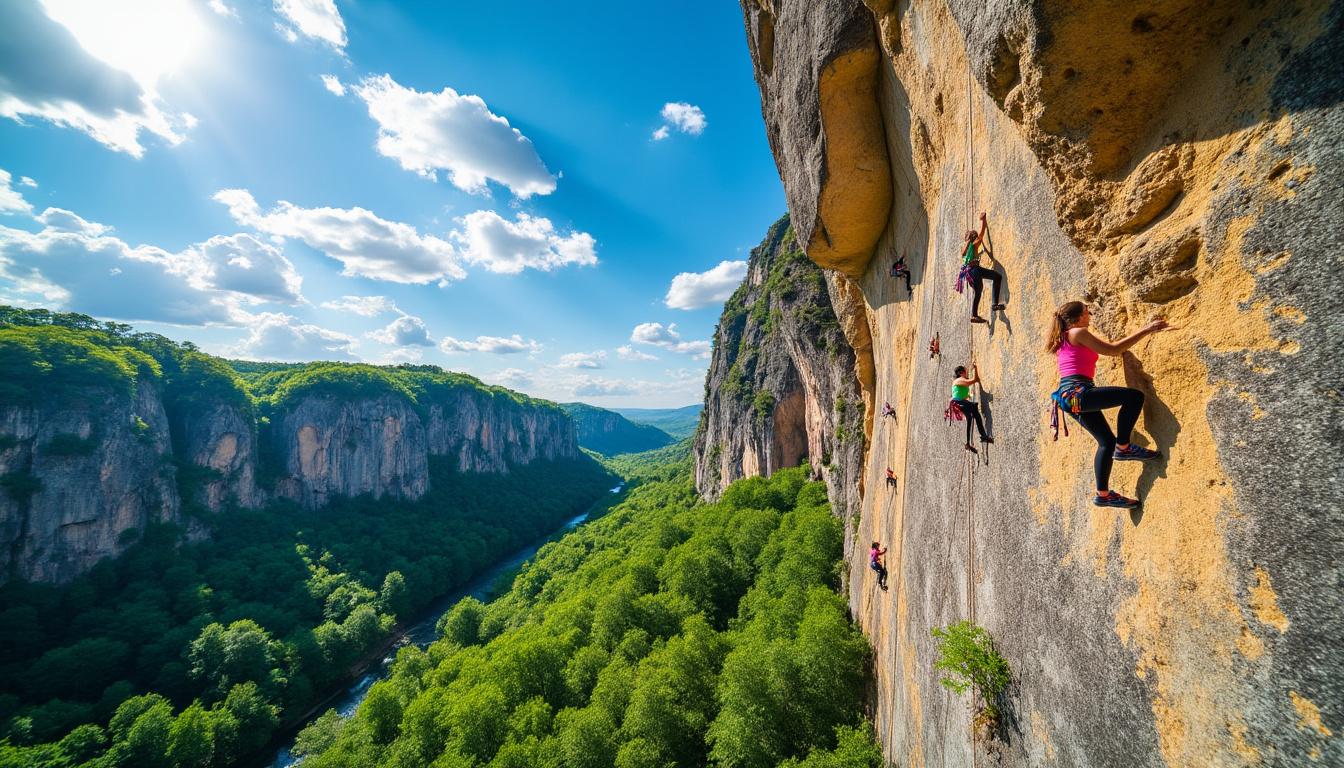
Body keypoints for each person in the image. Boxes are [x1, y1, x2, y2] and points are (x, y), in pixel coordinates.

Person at [1046, 301, 1170, 508]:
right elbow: (1113, 350)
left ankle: (1103, 494)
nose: (1090, 315)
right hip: (1079, 393)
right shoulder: (1077, 332)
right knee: (1134, 397)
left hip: (1070, 398)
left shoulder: (1063, 338)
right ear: (1078, 317)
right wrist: (1147, 329)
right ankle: (1124, 447)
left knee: (1105, 442)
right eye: (1087, 312)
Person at [955, 212, 1005, 324]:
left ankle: (975, 314)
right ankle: (993, 305)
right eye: (975, 236)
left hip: (969, 273)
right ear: (974, 238)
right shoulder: (974, 244)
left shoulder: (966, 248)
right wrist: (983, 220)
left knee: (978, 291)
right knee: (997, 277)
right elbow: (982, 234)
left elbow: (963, 254)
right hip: (974, 271)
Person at [946, 364, 993, 452]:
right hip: (958, 402)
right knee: (974, 410)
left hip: (960, 402)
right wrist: (976, 368)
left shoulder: (960, 380)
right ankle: (982, 436)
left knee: (971, 417)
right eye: (965, 370)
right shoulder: (958, 380)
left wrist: (968, 397)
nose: (967, 372)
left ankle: (970, 442)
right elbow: (974, 380)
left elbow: (963, 394)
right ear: (961, 372)